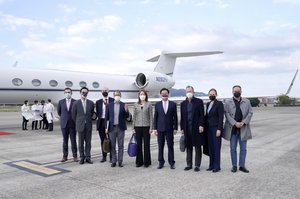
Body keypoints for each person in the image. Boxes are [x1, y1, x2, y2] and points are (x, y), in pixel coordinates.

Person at [223, 85, 253, 173]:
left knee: (243, 149)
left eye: (238, 91)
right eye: (235, 91)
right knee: (233, 148)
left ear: (241, 91)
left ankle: (242, 166)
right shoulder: (228, 102)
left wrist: (243, 122)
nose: (237, 92)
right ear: (232, 92)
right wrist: (235, 123)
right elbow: (226, 113)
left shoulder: (247, 102)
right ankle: (234, 165)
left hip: (243, 128)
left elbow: (250, 112)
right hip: (233, 129)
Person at [180, 86, 205, 172]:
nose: (189, 93)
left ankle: (197, 165)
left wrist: (201, 125)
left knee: (198, 147)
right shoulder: (183, 104)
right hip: (187, 128)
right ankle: (189, 164)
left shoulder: (199, 102)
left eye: (190, 91)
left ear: (193, 92)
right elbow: (182, 117)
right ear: (185, 93)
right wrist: (182, 128)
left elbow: (202, 115)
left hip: (197, 128)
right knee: (188, 147)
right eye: (187, 91)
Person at [153, 88, 178, 170]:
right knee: (160, 146)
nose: (164, 94)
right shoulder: (157, 104)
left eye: (166, 93)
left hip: (170, 128)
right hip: (160, 129)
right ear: (160, 95)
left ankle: (171, 162)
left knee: (170, 146)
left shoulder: (173, 104)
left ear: (168, 94)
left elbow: (175, 117)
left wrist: (175, 128)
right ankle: (161, 162)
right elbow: (155, 117)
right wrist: (155, 128)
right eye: (163, 93)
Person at [105, 90, 129, 168]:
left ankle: (120, 161)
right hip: (112, 128)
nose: (117, 96)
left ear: (120, 96)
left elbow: (127, 116)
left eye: (118, 95)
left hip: (120, 128)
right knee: (112, 145)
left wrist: (126, 110)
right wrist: (106, 127)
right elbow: (106, 117)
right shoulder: (109, 105)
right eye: (116, 95)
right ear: (114, 96)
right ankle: (113, 161)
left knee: (120, 145)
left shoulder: (123, 105)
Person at [72, 87, 95, 164]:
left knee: (88, 143)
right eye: (83, 92)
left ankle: (88, 157)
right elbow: (73, 115)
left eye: (86, 92)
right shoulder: (76, 103)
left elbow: (91, 113)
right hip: (80, 126)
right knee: (80, 143)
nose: (84, 93)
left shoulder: (91, 103)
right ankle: (82, 157)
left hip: (88, 125)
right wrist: (79, 122)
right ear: (80, 92)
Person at [132, 89, 153, 168]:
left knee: (146, 145)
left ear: (146, 95)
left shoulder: (149, 104)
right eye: (141, 94)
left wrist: (151, 128)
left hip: (146, 127)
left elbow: (151, 117)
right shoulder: (135, 105)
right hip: (137, 127)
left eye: (143, 94)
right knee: (139, 145)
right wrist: (133, 128)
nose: (142, 95)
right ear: (139, 95)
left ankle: (147, 162)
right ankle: (139, 161)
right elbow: (134, 117)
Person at [205, 88, 224, 173]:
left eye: (213, 94)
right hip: (209, 128)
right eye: (210, 94)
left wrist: (219, 129)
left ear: (216, 95)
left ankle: (217, 166)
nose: (211, 95)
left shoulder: (219, 104)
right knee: (211, 148)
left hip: (216, 128)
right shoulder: (208, 104)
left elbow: (221, 117)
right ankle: (211, 165)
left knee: (216, 147)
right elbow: (207, 116)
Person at [57, 88, 78, 162]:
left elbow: (76, 112)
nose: (67, 93)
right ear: (64, 93)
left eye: (69, 92)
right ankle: (65, 156)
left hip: (73, 124)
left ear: (71, 93)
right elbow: (59, 112)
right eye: (66, 92)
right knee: (65, 141)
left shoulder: (75, 102)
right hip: (64, 124)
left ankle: (75, 156)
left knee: (73, 141)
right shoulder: (61, 102)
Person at [95, 86, 114, 163]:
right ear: (101, 92)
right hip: (101, 122)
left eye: (106, 90)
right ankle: (104, 156)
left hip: (110, 122)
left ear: (108, 91)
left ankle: (112, 156)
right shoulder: (98, 102)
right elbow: (98, 113)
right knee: (103, 140)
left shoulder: (112, 100)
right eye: (103, 90)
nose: (104, 91)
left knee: (111, 139)